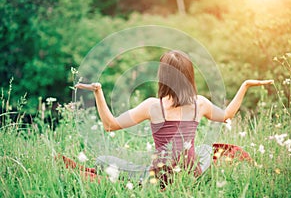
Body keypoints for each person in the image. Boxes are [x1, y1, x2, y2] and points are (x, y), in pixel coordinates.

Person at [75, 50, 273, 188]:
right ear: (190, 76)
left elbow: (110, 125)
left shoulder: (152, 106)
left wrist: (98, 92)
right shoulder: (200, 103)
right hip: (190, 173)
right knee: (205, 150)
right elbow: (227, 115)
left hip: (160, 176)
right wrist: (245, 85)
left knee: (102, 161)